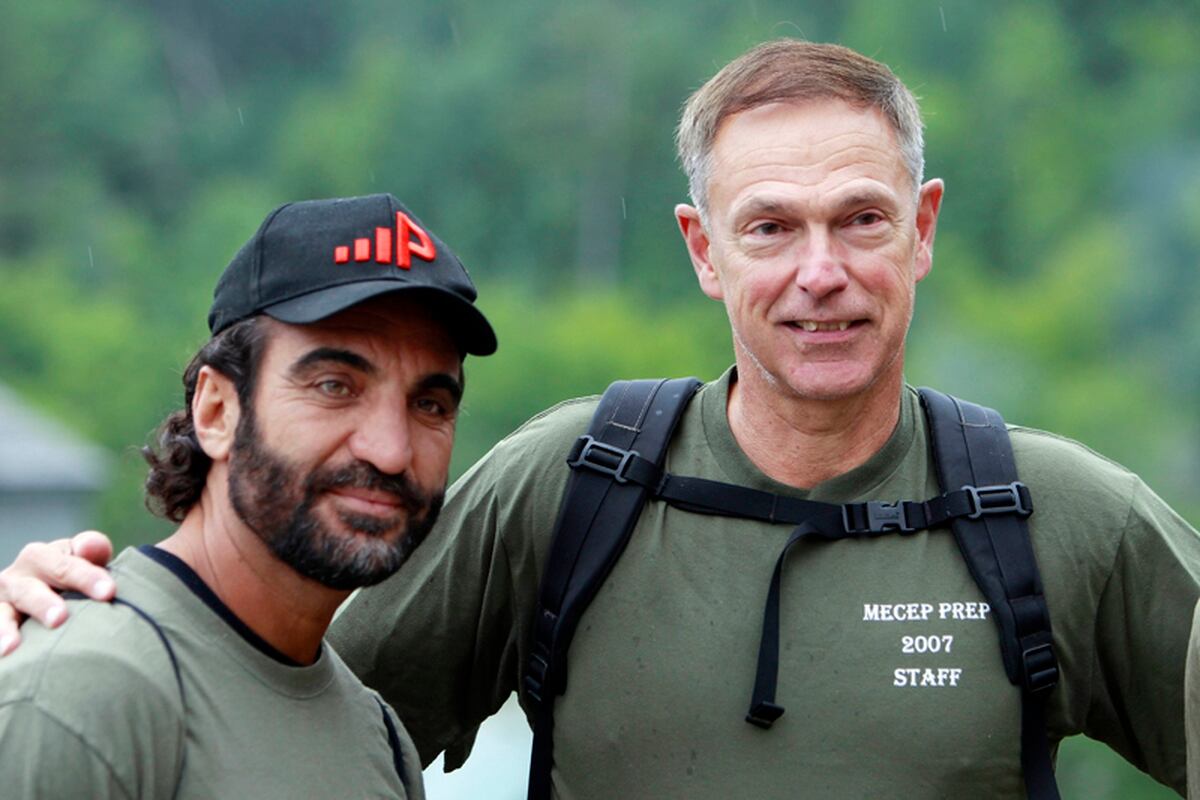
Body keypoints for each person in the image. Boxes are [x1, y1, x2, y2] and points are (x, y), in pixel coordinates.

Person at [2, 40, 1198, 799]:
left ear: (924, 228)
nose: (820, 271)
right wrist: (67, 622)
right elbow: (272, 687)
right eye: (771, 226)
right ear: (703, 251)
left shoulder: (1057, 520)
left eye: (863, 220)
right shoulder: (575, 486)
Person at [0, 192, 497, 798]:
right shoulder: (85, 695)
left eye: (429, 404)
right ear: (216, 410)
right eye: (336, 385)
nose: (390, 451)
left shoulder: (381, 740)